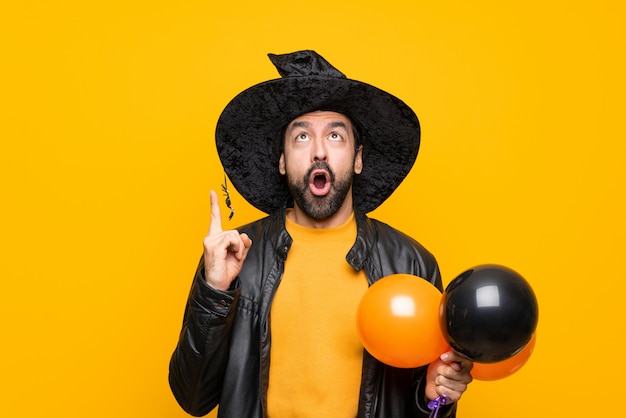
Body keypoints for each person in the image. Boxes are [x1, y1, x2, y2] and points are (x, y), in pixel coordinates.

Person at [169, 50, 473, 418]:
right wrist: (215, 291)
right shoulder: (236, 260)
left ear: (358, 158)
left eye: (334, 135)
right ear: (282, 161)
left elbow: (431, 406)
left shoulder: (410, 264)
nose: (318, 152)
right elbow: (192, 398)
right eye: (300, 137)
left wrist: (433, 399)